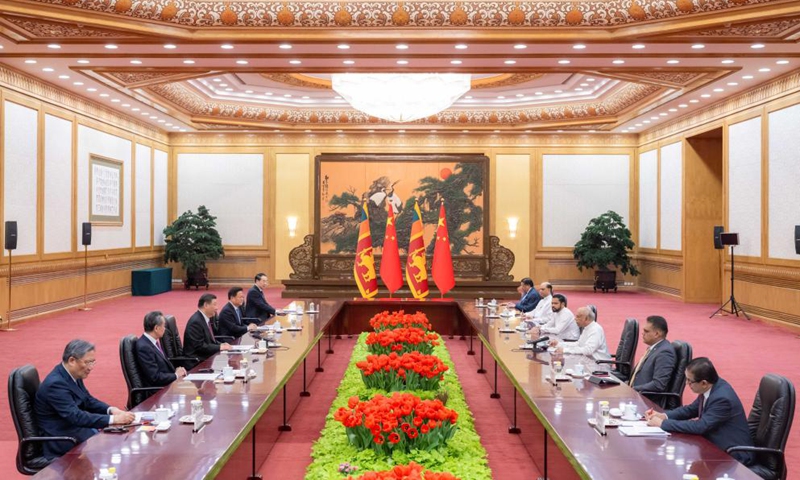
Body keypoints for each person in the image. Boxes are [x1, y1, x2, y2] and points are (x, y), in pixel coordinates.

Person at [35, 339, 135, 459]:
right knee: (113, 450)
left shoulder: (73, 374)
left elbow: (87, 400)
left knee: (119, 440)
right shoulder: (55, 384)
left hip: (76, 431)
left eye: (93, 362)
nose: (91, 367)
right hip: (63, 439)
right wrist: (114, 419)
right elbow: (75, 416)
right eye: (88, 362)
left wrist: (111, 410)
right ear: (72, 360)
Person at [646, 357, 754, 466]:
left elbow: (701, 426)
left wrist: (663, 424)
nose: (687, 383)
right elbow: (691, 409)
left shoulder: (722, 399)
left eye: (690, 381)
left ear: (703, 383)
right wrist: (664, 416)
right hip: (713, 444)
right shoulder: (712, 386)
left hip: (734, 455)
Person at [136, 311, 187, 387]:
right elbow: (155, 378)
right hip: (159, 391)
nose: (165, 329)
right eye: (163, 326)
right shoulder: (144, 347)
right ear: (156, 328)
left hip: (167, 384)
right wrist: (176, 375)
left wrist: (176, 371)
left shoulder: (152, 342)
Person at [629, 315, 676, 395]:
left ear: (657, 334)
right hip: (637, 393)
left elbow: (658, 385)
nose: (642, 333)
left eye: (646, 331)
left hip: (646, 399)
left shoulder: (664, 353)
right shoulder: (654, 348)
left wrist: (633, 389)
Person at [184, 293, 231, 361]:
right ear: (206, 305)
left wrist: (222, 344)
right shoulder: (196, 322)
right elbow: (200, 346)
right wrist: (219, 347)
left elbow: (209, 341)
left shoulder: (205, 319)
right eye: (214, 304)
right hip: (197, 361)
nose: (217, 308)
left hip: (206, 357)